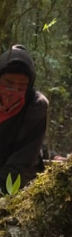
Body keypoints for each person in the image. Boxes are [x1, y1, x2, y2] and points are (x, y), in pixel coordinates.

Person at [0, 45, 48, 192]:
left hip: (15, 181)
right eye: (8, 83)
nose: (13, 91)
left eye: (21, 86)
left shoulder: (35, 106)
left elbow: (22, 163)